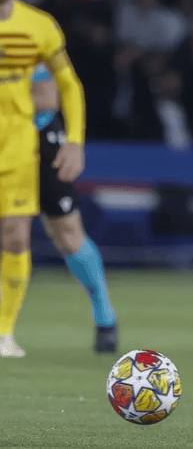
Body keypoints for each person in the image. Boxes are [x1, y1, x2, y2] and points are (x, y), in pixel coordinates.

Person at [0, 0, 87, 358]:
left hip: (17, 143)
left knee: (16, 237)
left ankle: (4, 333)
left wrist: (75, 141)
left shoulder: (39, 26)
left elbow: (69, 85)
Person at [31, 64, 118, 352]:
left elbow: (48, 98)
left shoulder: (31, 40)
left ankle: (105, 316)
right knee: (11, 233)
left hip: (40, 136)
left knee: (67, 233)